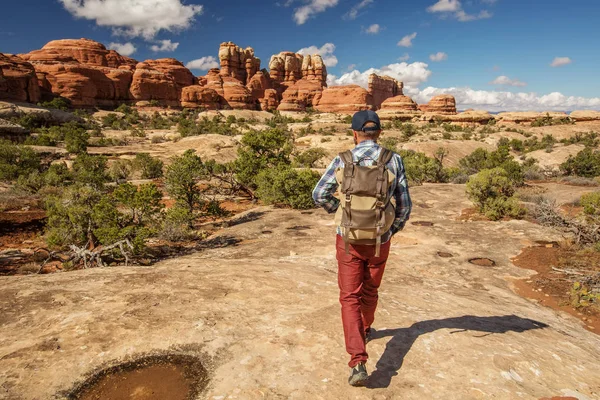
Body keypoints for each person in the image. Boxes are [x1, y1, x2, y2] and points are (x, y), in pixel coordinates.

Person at [312, 110, 412, 386]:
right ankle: (366, 328)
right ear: (379, 132)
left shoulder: (342, 159)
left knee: (349, 297)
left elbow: (319, 194)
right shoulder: (394, 160)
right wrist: (391, 229)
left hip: (348, 239)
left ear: (354, 133)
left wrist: (341, 212)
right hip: (380, 240)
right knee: (370, 290)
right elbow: (405, 205)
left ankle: (358, 361)